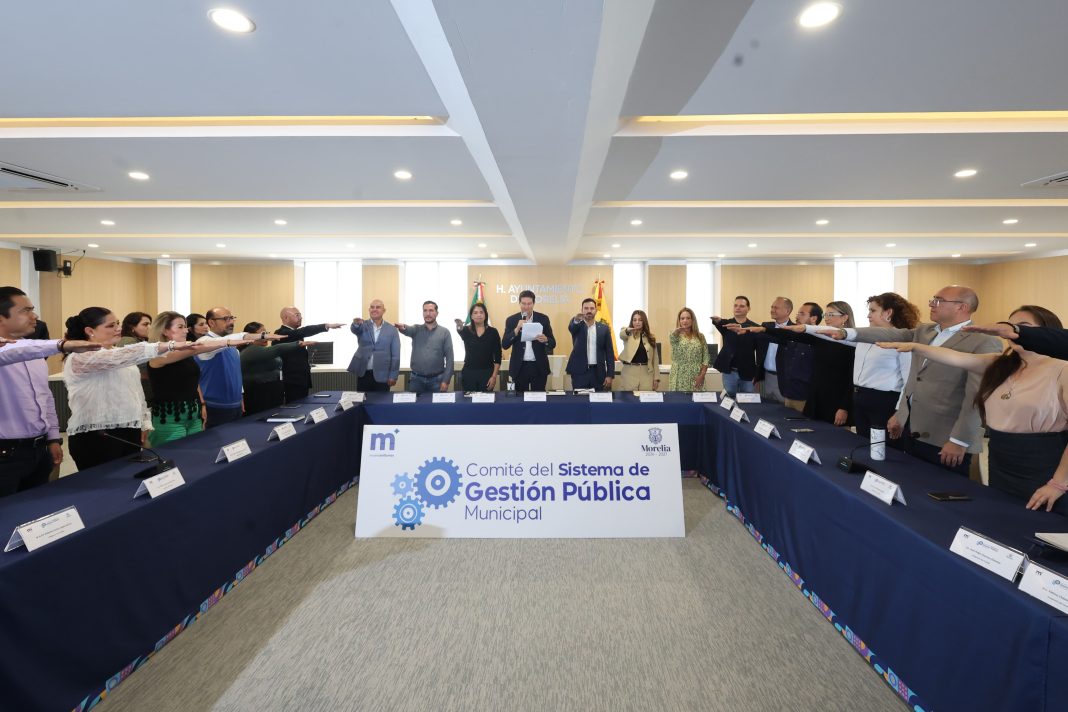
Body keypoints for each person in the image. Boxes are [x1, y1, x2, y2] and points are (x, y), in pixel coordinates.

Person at [876, 305, 1068, 513]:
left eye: (1023, 326)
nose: (1011, 332)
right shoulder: (1000, 364)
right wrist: (915, 347)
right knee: (1003, 517)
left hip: (1044, 465)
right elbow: (955, 357)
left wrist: (1058, 484)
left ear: (1048, 332)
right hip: (1001, 458)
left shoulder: (1062, 370)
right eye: (1009, 325)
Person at [824, 285, 1002, 476]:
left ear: (962, 307)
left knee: (942, 488)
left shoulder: (983, 342)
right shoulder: (925, 331)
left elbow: (976, 398)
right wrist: (846, 333)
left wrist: (959, 440)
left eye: (939, 301)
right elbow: (895, 342)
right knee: (910, 482)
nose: (932, 304)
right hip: (914, 430)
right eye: (933, 299)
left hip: (945, 437)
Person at [63, 307, 193, 471]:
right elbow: (120, 357)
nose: (118, 328)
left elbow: (136, 392)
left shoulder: (118, 352)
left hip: (128, 429)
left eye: (117, 323)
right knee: (103, 483)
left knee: (130, 478)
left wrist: (143, 422)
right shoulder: (80, 357)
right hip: (97, 435)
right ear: (90, 331)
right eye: (111, 326)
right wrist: (171, 345)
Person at [0, 287, 99, 496]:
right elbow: (11, 353)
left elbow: (44, 397)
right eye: (26, 310)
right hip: (5, 454)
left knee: (37, 510)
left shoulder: (34, 352)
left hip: (38, 449)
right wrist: (62, 345)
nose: (34, 316)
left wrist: (53, 438)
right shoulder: (24, 350)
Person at [735, 301, 854, 425]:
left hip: (837, 400)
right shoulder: (822, 337)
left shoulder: (852, 343)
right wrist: (764, 329)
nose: (826, 318)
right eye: (826, 315)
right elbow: (790, 335)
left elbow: (851, 379)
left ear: (845, 317)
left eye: (831, 314)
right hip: (817, 398)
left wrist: (844, 407)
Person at [147, 312, 236, 446]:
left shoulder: (186, 355)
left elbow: (194, 382)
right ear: (165, 331)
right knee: (172, 454)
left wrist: (202, 404)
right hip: (169, 418)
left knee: (194, 451)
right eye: (180, 327)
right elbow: (196, 349)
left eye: (185, 326)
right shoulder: (157, 355)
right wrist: (228, 342)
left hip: (193, 414)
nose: (186, 330)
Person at [196, 306, 283, 428]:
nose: (231, 322)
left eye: (232, 318)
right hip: (215, 407)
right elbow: (224, 342)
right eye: (226, 319)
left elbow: (236, 374)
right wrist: (257, 336)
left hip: (235, 405)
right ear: (211, 322)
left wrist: (240, 396)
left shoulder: (233, 348)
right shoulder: (205, 342)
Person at [274, 306, 343, 403]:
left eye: (300, 315)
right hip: (292, 381)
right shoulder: (282, 333)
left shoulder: (294, 333)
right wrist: (326, 326)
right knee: (295, 407)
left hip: (300, 379)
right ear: (286, 318)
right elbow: (305, 330)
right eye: (297, 315)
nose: (300, 318)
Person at [240, 321, 307, 414]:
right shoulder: (250, 350)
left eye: (267, 333)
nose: (267, 336)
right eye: (263, 334)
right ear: (251, 336)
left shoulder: (264, 349)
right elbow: (277, 349)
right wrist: (298, 344)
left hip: (272, 391)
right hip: (258, 393)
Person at [501, 290, 556, 393]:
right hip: (519, 367)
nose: (526, 307)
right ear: (519, 303)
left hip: (538, 367)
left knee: (539, 397)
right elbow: (505, 344)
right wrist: (517, 329)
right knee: (520, 399)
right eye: (523, 303)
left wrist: (546, 340)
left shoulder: (543, 319)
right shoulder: (511, 320)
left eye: (529, 304)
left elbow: (553, 343)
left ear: (533, 303)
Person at [396, 301, 455, 393]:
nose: (428, 313)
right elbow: (408, 329)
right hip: (416, 380)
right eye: (425, 310)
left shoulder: (444, 332)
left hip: (437, 380)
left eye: (431, 310)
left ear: (437, 313)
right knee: (415, 403)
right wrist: (403, 327)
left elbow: (450, 358)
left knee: (437, 403)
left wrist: (446, 380)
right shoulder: (416, 329)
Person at [348, 299, 400, 392]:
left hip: (383, 374)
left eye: (378, 307)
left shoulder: (392, 330)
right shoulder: (362, 325)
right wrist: (355, 323)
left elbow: (395, 355)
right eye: (372, 307)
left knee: (382, 400)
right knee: (363, 399)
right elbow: (355, 329)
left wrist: (393, 375)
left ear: (384, 310)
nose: (374, 309)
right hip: (363, 373)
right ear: (369, 310)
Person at [710, 296, 758, 397]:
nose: (737, 308)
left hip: (748, 372)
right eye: (735, 305)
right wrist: (717, 321)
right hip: (729, 371)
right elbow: (719, 322)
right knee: (729, 399)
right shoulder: (727, 324)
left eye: (741, 306)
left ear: (748, 309)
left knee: (747, 399)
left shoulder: (754, 327)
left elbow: (759, 350)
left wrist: (758, 373)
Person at [565, 297, 615, 391]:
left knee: (598, 399)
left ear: (596, 310)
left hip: (598, 373)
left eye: (592, 308)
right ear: (581, 310)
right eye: (586, 308)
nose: (589, 311)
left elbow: (609, 353)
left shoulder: (604, 329)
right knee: (580, 399)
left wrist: (610, 375)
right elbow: (571, 328)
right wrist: (576, 319)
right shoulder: (577, 326)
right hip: (579, 373)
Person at [753, 297, 795, 404]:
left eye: (776, 307)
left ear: (787, 311)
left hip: (784, 380)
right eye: (772, 307)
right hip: (765, 378)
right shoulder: (766, 326)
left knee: (784, 410)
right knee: (764, 410)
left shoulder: (794, 330)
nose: (772, 310)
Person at [453, 302, 501, 392]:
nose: (478, 315)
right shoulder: (466, 330)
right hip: (469, 373)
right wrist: (459, 325)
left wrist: (494, 377)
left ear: (485, 315)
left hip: (487, 373)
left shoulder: (493, 332)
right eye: (475, 313)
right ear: (471, 316)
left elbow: (498, 356)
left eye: (481, 312)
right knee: (468, 400)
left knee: (486, 400)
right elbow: (460, 330)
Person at [668, 307, 709, 392]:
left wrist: (702, 375)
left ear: (692, 320)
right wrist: (676, 332)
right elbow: (672, 339)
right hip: (679, 376)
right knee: (679, 399)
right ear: (679, 320)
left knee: (697, 399)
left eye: (688, 318)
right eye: (682, 318)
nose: (685, 321)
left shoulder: (700, 336)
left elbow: (706, 358)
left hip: (696, 376)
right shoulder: (675, 335)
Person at [618, 310, 660, 391]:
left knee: (645, 398)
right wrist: (627, 330)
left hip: (647, 373)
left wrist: (656, 378)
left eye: (640, 320)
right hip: (629, 373)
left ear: (644, 321)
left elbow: (655, 360)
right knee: (629, 398)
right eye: (634, 320)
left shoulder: (651, 337)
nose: (637, 322)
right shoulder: (628, 333)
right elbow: (621, 334)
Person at [119, 311, 153, 405]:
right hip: (138, 387)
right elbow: (144, 367)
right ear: (132, 327)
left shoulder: (139, 340)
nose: (149, 327)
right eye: (145, 324)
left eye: (150, 324)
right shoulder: (128, 341)